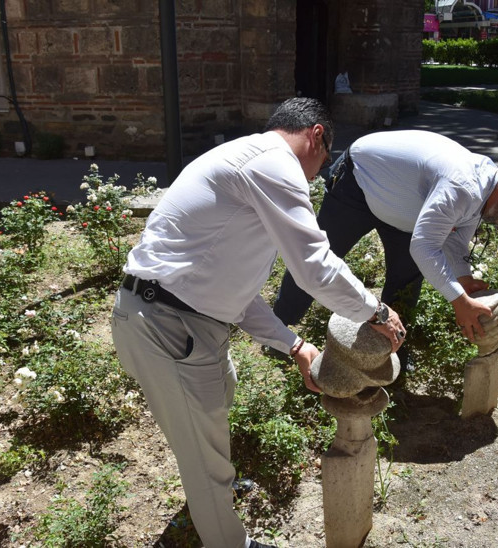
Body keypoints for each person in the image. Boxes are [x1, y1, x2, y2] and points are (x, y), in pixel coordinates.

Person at [110, 97, 405, 548]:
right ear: (317, 135)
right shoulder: (273, 163)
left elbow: (237, 293)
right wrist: (376, 311)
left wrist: (294, 345)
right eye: (322, 165)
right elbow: (314, 267)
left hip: (175, 317)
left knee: (218, 401)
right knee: (202, 452)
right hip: (168, 324)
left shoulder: (246, 160)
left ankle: (213, 498)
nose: (317, 177)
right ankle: (228, 539)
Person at [274, 129, 498, 345]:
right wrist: (459, 301)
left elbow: (455, 241)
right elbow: (425, 246)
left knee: (406, 280)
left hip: (402, 207)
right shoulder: (464, 188)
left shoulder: (486, 193)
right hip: (358, 184)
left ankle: (392, 349)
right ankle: (279, 332)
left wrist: (465, 281)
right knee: (316, 261)